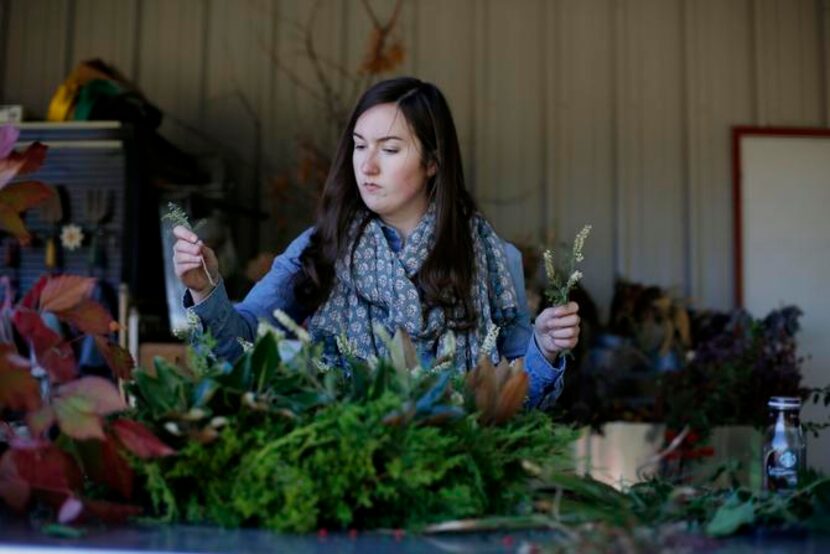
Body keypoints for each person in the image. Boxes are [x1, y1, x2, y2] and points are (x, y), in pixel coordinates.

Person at [172, 77, 580, 409]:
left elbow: (517, 402)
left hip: (460, 476)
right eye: (359, 146)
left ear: (433, 162)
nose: (367, 166)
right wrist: (205, 289)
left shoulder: (489, 257)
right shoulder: (322, 248)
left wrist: (543, 349)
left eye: (389, 149)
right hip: (346, 470)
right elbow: (239, 346)